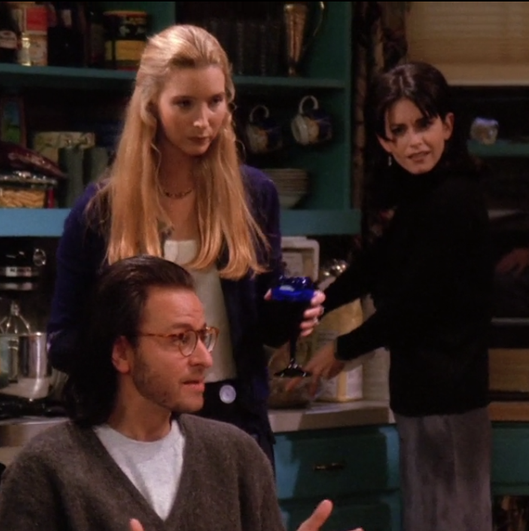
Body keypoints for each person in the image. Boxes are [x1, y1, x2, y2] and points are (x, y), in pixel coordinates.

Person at [46, 24, 324, 468]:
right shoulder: (101, 211)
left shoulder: (254, 196)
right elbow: (63, 342)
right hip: (132, 430)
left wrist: (291, 315)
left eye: (216, 102)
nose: (203, 121)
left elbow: (261, 331)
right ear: (150, 107)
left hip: (234, 423)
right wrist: (136, 351)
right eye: (184, 104)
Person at [0, 255, 363, 531]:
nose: (204, 359)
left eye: (203, 336)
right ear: (122, 352)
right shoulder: (45, 469)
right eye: (180, 339)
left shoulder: (237, 457)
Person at [299, 62, 495, 531]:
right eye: (399, 131)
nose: (414, 142)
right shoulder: (419, 194)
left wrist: (342, 349)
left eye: (423, 125)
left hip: (449, 396)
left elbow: (415, 303)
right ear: (385, 142)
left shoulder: (453, 197)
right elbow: (378, 264)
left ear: (447, 125)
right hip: (426, 394)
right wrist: (320, 298)